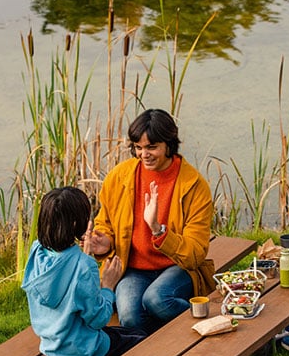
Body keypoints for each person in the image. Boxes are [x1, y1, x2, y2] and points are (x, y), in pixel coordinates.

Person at [83, 108, 215, 333]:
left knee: (157, 300)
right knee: (129, 315)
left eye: (152, 147)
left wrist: (158, 230)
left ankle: (207, 327)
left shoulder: (194, 185)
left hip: (178, 266)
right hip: (133, 268)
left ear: (169, 144)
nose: (144, 154)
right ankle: (160, 353)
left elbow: (195, 254)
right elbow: (105, 222)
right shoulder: (119, 177)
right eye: (138, 147)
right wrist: (105, 243)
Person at [22, 186, 146, 356]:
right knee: (143, 339)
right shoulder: (83, 265)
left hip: (51, 346)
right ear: (74, 224)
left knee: (125, 333)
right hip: (85, 352)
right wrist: (107, 286)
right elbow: (99, 320)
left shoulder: (36, 250)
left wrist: (83, 256)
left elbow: (63, 277)